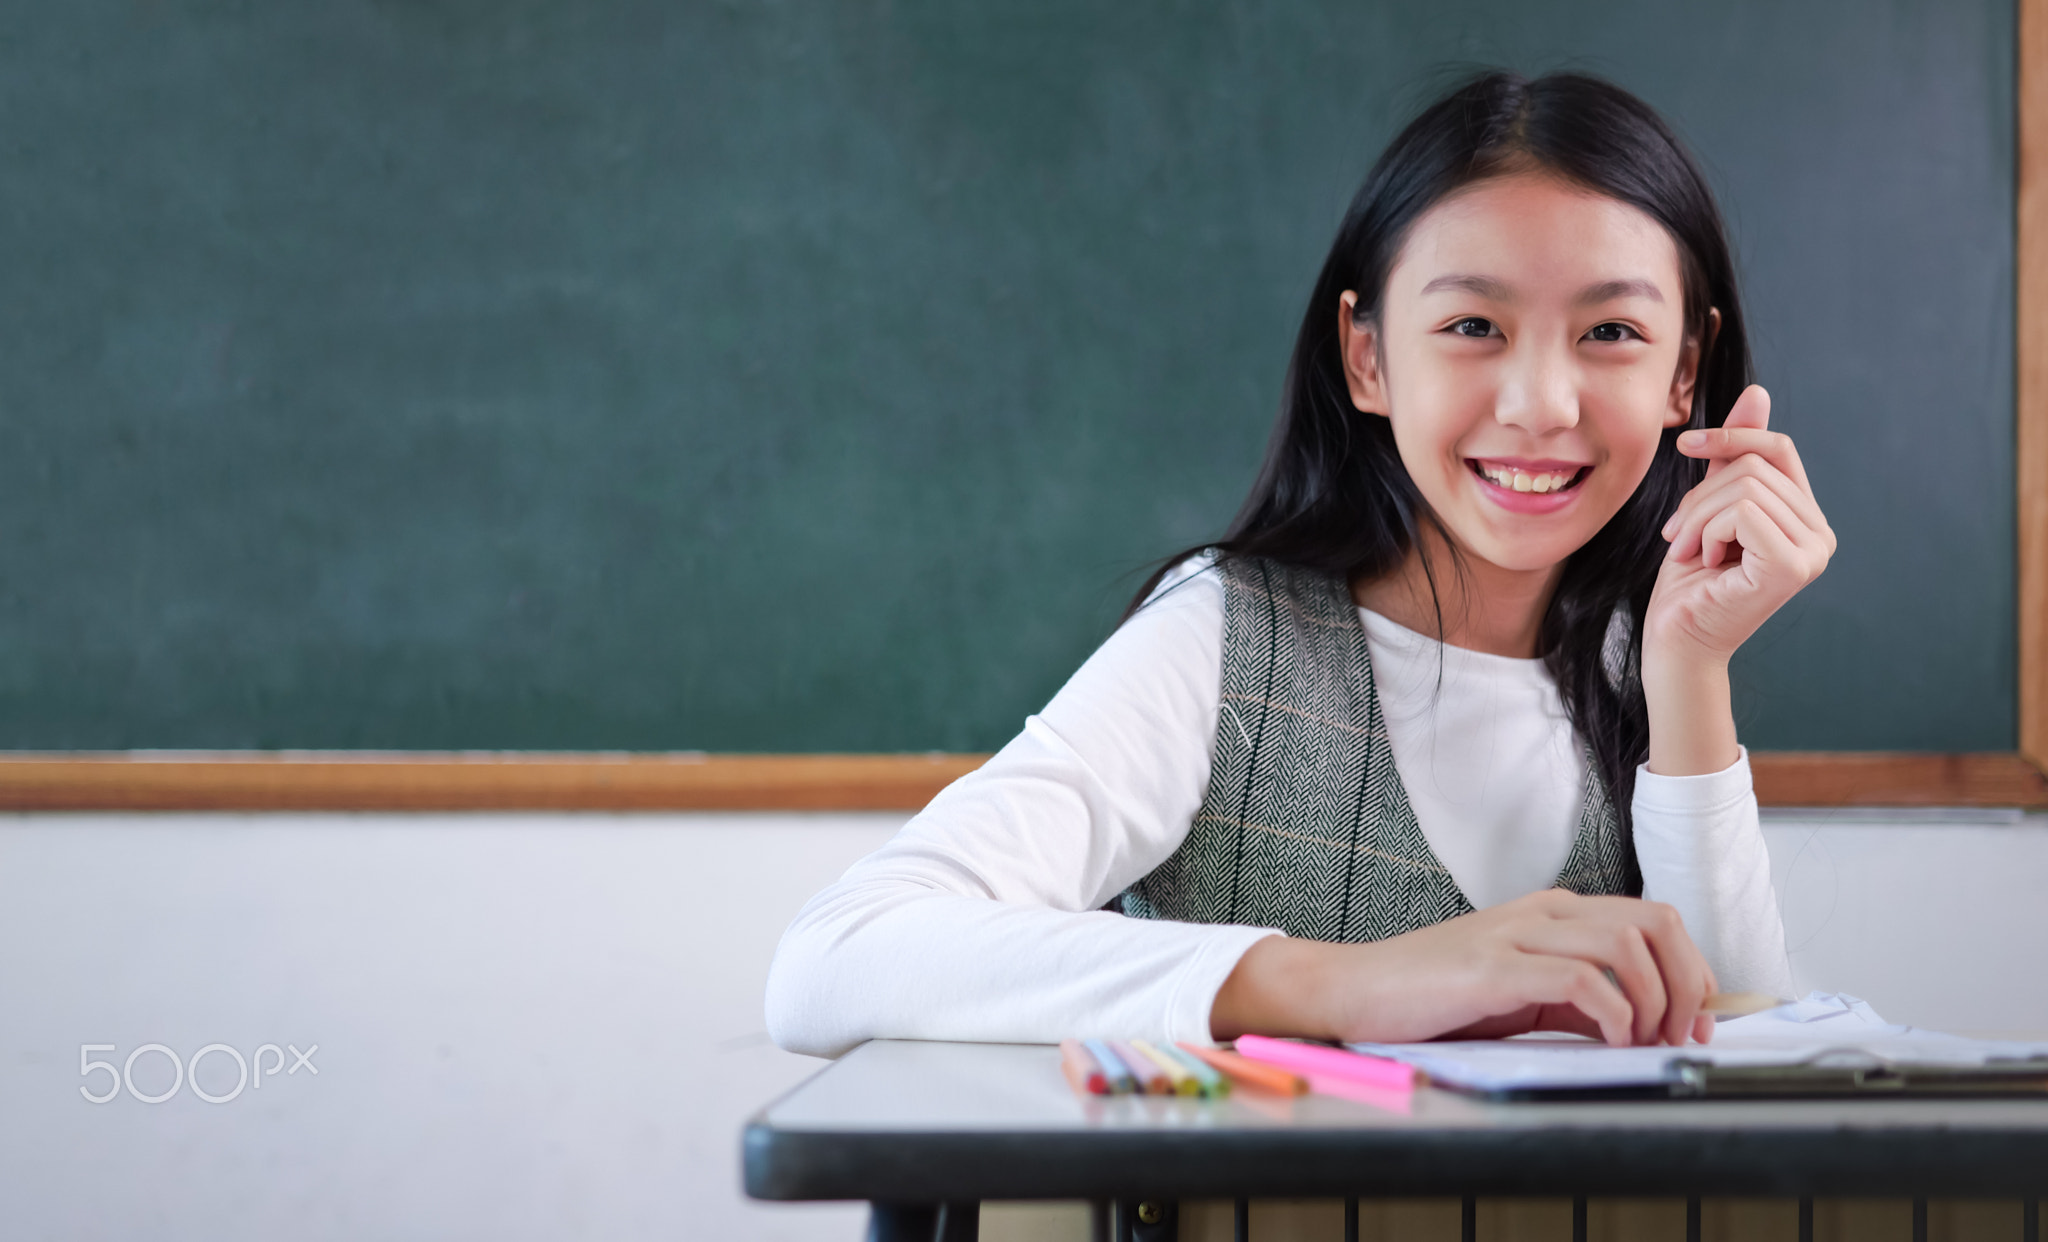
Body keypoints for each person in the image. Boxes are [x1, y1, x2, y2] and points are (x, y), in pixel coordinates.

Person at [766, 71, 1829, 1060]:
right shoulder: (1227, 644)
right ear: (1366, 356)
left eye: (1609, 331)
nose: (1539, 405)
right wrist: (1339, 986)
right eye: (1471, 324)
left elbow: (1738, 1061)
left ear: (1683, 369)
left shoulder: (1639, 670)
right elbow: (833, 959)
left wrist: (1688, 673)